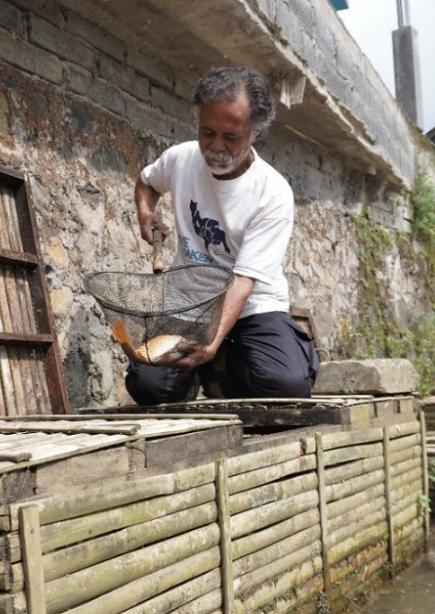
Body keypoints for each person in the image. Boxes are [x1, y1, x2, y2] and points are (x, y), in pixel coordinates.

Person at [126, 65, 318, 405]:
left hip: (252, 305)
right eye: (207, 133)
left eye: (230, 137)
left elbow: (243, 281)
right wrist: (146, 213)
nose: (215, 146)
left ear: (255, 132)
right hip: (189, 300)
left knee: (285, 385)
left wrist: (212, 342)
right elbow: (146, 182)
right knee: (148, 387)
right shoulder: (181, 158)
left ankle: (221, 369)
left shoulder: (272, 193)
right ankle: (195, 373)